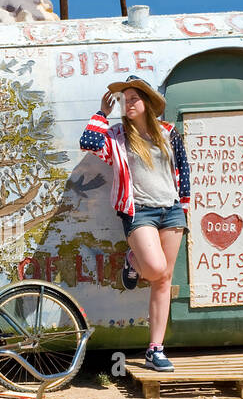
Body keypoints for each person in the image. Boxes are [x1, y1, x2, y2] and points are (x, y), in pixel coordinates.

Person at [79, 75, 190, 371]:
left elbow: (183, 171)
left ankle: (155, 350)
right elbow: (88, 142)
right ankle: (133, 259)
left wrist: (184, 209)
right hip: (138, 211)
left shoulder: (168, 132)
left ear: (147, 103)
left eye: (134, 98)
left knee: (164, 280)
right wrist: (101, 114)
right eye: (125, 99)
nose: (128, 103)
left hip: (171, 210)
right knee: (154, 269)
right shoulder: (116, 137)